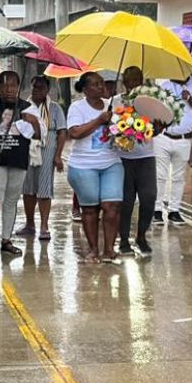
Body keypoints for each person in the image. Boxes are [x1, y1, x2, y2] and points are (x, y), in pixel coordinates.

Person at [0, 70, 39, 259]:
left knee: (12, 201)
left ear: (18, 86)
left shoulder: (27, 108)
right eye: (5, 85)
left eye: (13, 85)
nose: (9, 89)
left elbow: (38, 135)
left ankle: (6, 240)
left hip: (19, 160)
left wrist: (33, 122)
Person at [66, 71, 125, 264]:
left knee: (112, 206)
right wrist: (99, 120)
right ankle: (93, 249)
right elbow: (74, 133)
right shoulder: (77, 107)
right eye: (95, 84)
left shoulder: (113, 106)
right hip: (83, 164)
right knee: (90, 208)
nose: (101, 87)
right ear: (85, 89)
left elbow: (125, 131)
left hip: (111, 162)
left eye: (102, 83)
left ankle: (109, 249)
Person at [16, 75, 66, 242]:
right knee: (28, 188)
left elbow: (62, 132)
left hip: (47, 150)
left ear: (47, 90)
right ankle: (30, 224)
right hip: (27, 150)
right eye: (34, 87)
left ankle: (44, 226)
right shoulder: (23, 106)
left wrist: (58, 155)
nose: (37, 90)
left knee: (44, 188)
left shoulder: (55, 108)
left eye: (41, 87)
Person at [115, 66, 158, 255]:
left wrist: (158, 128)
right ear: (124, 83)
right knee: (126, 201)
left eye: (137, 80)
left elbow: (155, 128)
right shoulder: (116, 101)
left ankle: (141, 235)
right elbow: (111, 127)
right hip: (123, 157)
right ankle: (124, 240)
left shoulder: (149, 102)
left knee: (149, 197)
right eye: (130, 81)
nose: (134, 84)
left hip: (146, 156)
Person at [155, 72, 192, 226]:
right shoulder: (165, 86)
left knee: (178, 177)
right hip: (164, 137)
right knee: (160, 175)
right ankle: (157, 209)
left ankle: (174, 210)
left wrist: (189, 99)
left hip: (185, 139)